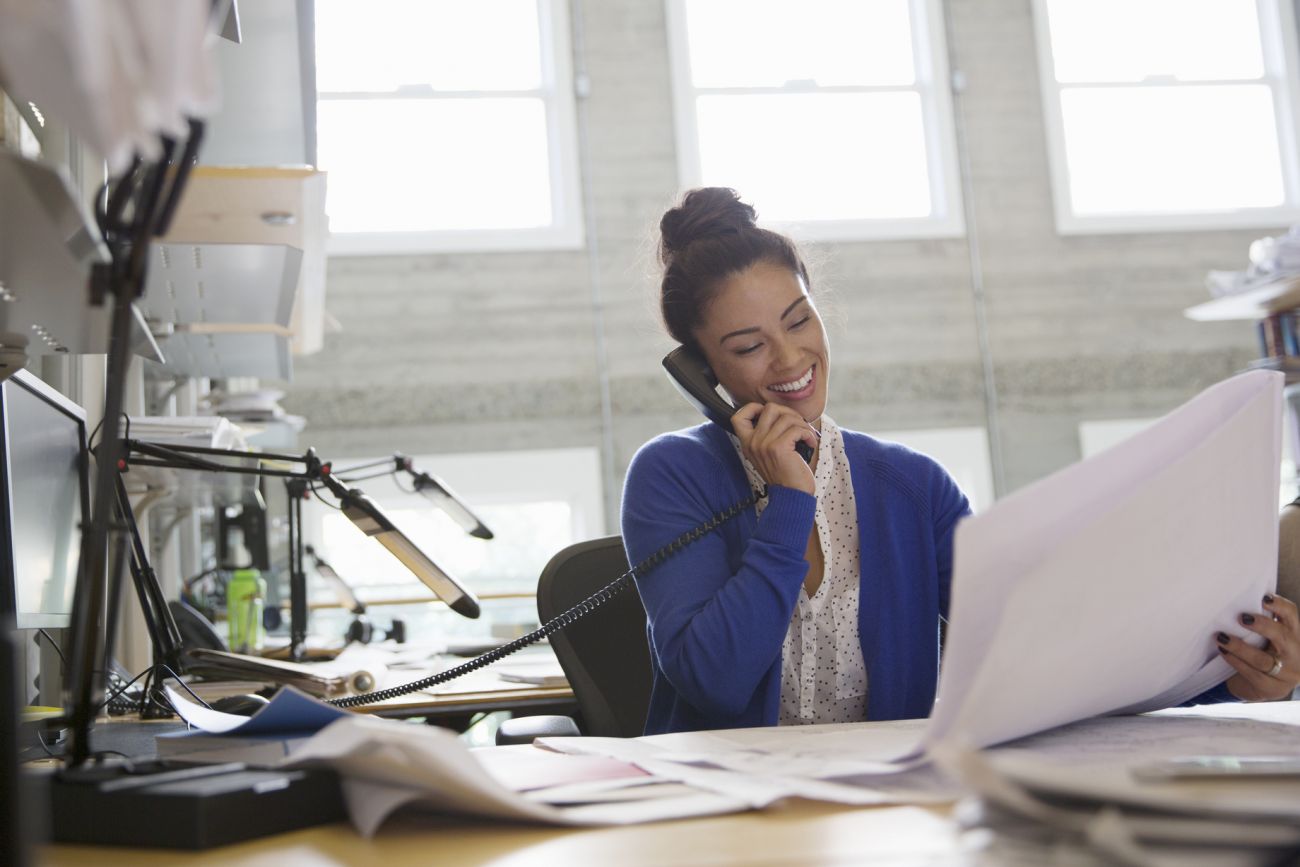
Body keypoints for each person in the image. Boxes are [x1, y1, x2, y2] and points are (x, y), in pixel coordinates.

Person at [620, 186, 1300, 736]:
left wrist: (1225, 677)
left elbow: (1042, 655)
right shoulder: (670, 476)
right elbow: (716, 681)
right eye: (748, 346)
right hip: (722, 815)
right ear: (701, 369)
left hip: (888, 809)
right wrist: (790, 502)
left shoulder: (914, 489)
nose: (791, 358)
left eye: (799, 320)